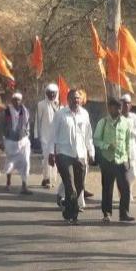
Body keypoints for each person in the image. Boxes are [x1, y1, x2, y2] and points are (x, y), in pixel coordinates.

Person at [48, 89, 94, 224]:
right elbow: (53, 134)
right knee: (69, 185)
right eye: (74, 98)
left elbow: (88, 135)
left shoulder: (84, 114)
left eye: (78, 98)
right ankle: (73, 216)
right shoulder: (61, 114)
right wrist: (51, 152)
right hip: (64, 153)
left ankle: (68, 211)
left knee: (79, 186)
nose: (76, 100)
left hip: (80, 154)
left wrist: (91, 152)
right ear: (68, 100)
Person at [94, 97, 134, 223]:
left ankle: (124, 214)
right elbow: (96, 139)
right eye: (116, 107)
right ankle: (107, 213)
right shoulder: (103, 122)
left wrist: (128, 159)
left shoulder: (126, 123)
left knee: (125, 188)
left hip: (121, 160)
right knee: (107, 188)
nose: (119, 110)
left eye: (120, 107)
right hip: (107, 160)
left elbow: (128, 142)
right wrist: (106, 146)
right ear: (110, 108)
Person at [0, 92, 32, 194]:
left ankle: (24, 186)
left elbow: (27, 124)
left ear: (21, 100)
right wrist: (1, 141)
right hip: (10, 141)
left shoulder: (25, 111)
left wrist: (26, 133)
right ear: (11, 101)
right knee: (10, 162)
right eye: (14, 99)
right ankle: (8, 183)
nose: (16, 101)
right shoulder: (6, 112)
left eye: (18, 99)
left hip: (23, 141)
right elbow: (1, 126)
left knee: (25, 162)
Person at [35, 83, 59, 189]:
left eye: (54, 93)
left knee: (54, 159)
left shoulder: (60, 105)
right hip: (45, 137)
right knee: (46, 158)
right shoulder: (41, 105)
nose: (52, 95)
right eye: (50, 93)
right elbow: (37, 120)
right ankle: (47, 178)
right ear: (46, 93)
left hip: (56, 138)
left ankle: (49, 178)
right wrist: (36, 135)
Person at [121, 94, 136, 201]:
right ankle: (125, 193)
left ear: (130, 105)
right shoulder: (117, 117)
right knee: (122, 174)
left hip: (132, 149)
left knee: (133, 174)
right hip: (120, 150)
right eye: (123, 103)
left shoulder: (133, 117)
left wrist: (131, 132)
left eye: (127, 103)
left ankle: (128, 189)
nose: (125, 105)